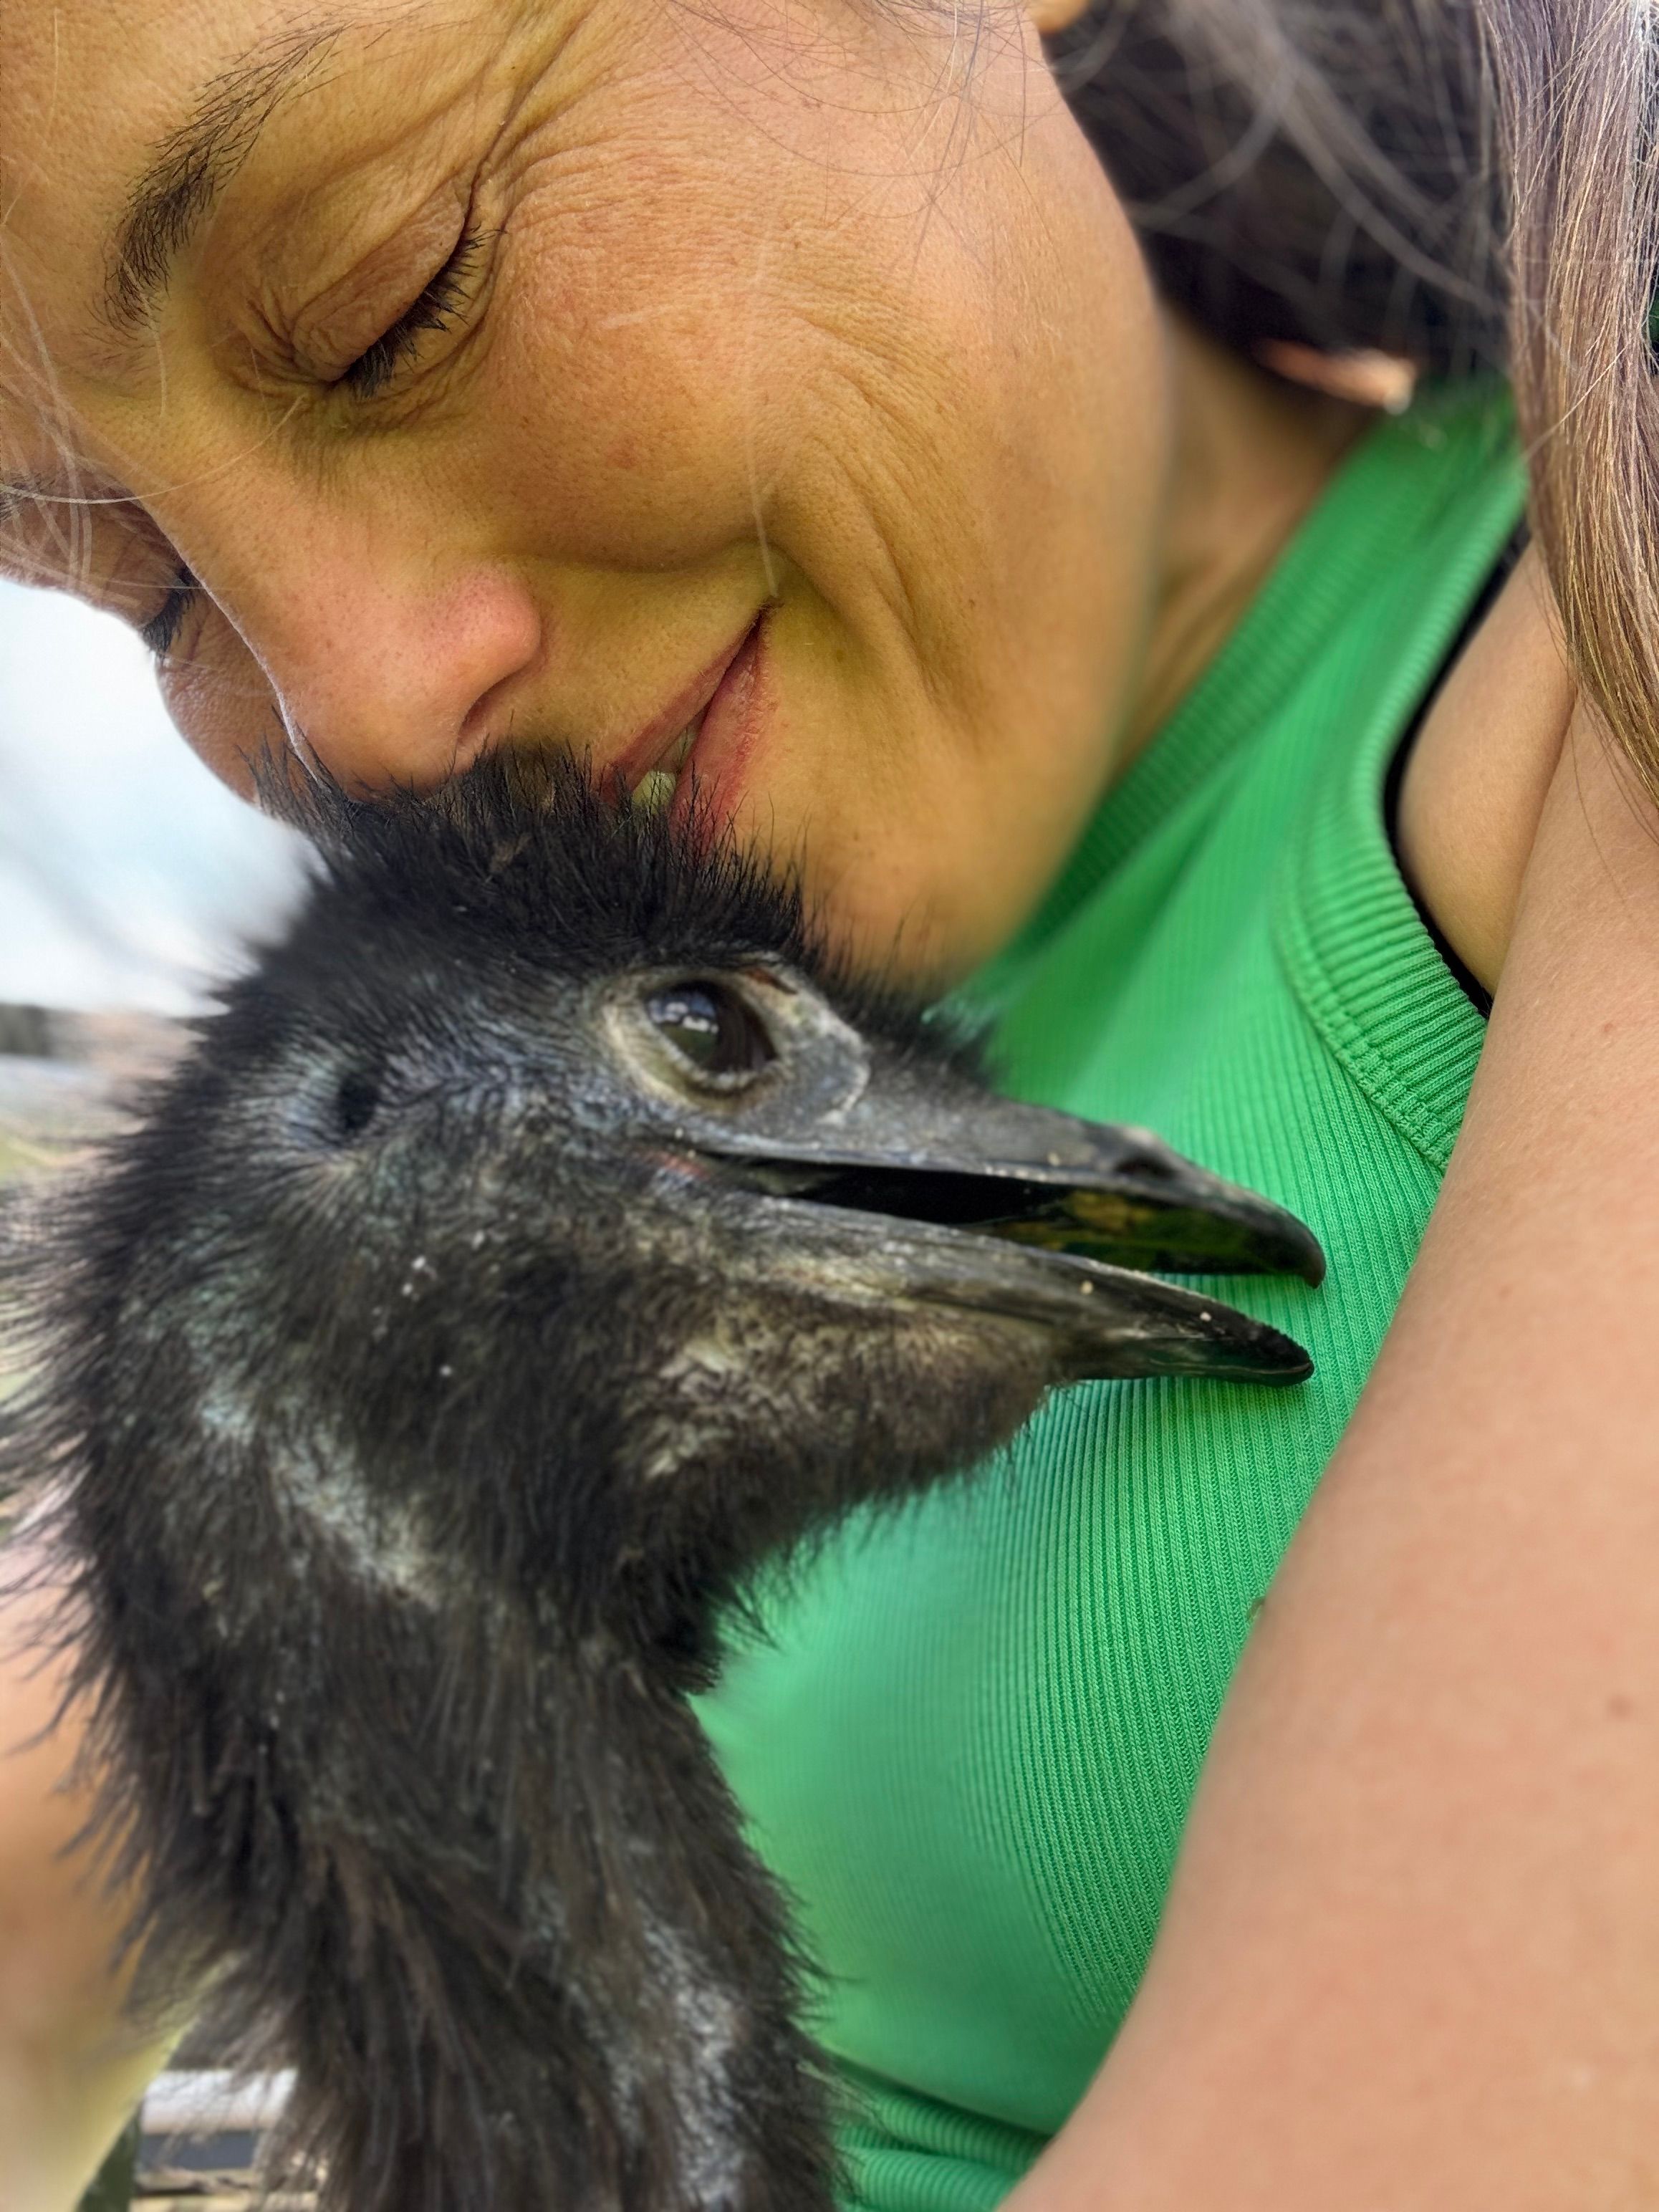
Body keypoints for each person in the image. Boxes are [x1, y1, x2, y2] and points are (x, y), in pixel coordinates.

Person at [3, 1, 1658, 2206]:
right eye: (156, 593)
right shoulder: (481, 1165)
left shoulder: (1585, 640)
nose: (362, 714)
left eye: (397, 294)